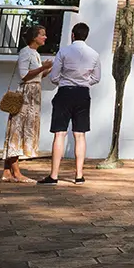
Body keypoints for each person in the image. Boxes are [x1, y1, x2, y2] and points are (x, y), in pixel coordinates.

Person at [41, 22, 102, 185]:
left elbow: (53, 77)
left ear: (73, 35)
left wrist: (65, 81)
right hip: (83, 94)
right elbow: (96, 78)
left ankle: (54, 176)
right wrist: (83, 81)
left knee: (59, 133)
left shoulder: (64, 51)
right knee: (80, 134)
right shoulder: (94, 54)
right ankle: (79, 175)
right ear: (86, 35)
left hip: (65, 92)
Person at [1, 24, 52, 183]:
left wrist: (47, 69)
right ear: (34, 37)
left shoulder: (35, 53)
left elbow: (37, 77)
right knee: (17, 130)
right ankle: (16, 172)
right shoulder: (25, 52)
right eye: (42, 35)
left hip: (33, 94)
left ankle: (6, 172)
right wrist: (43, 67)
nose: (45, 37)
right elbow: (24, 75)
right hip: (26, 95)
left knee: (21, 129)